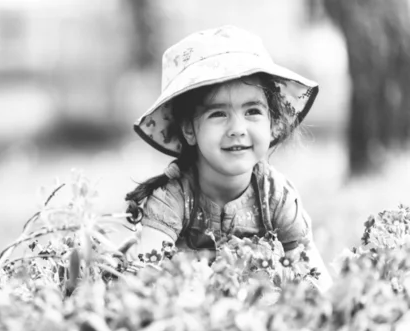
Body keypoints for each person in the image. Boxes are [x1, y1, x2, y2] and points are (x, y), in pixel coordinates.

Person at [124, 25, 332, 290]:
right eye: (218, 114)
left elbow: (314, 277)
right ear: (189, 128)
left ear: (273, 121)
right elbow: (146, 278)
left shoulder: (276, 196)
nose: (237, 129)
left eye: (253, 111)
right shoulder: (171, 197)